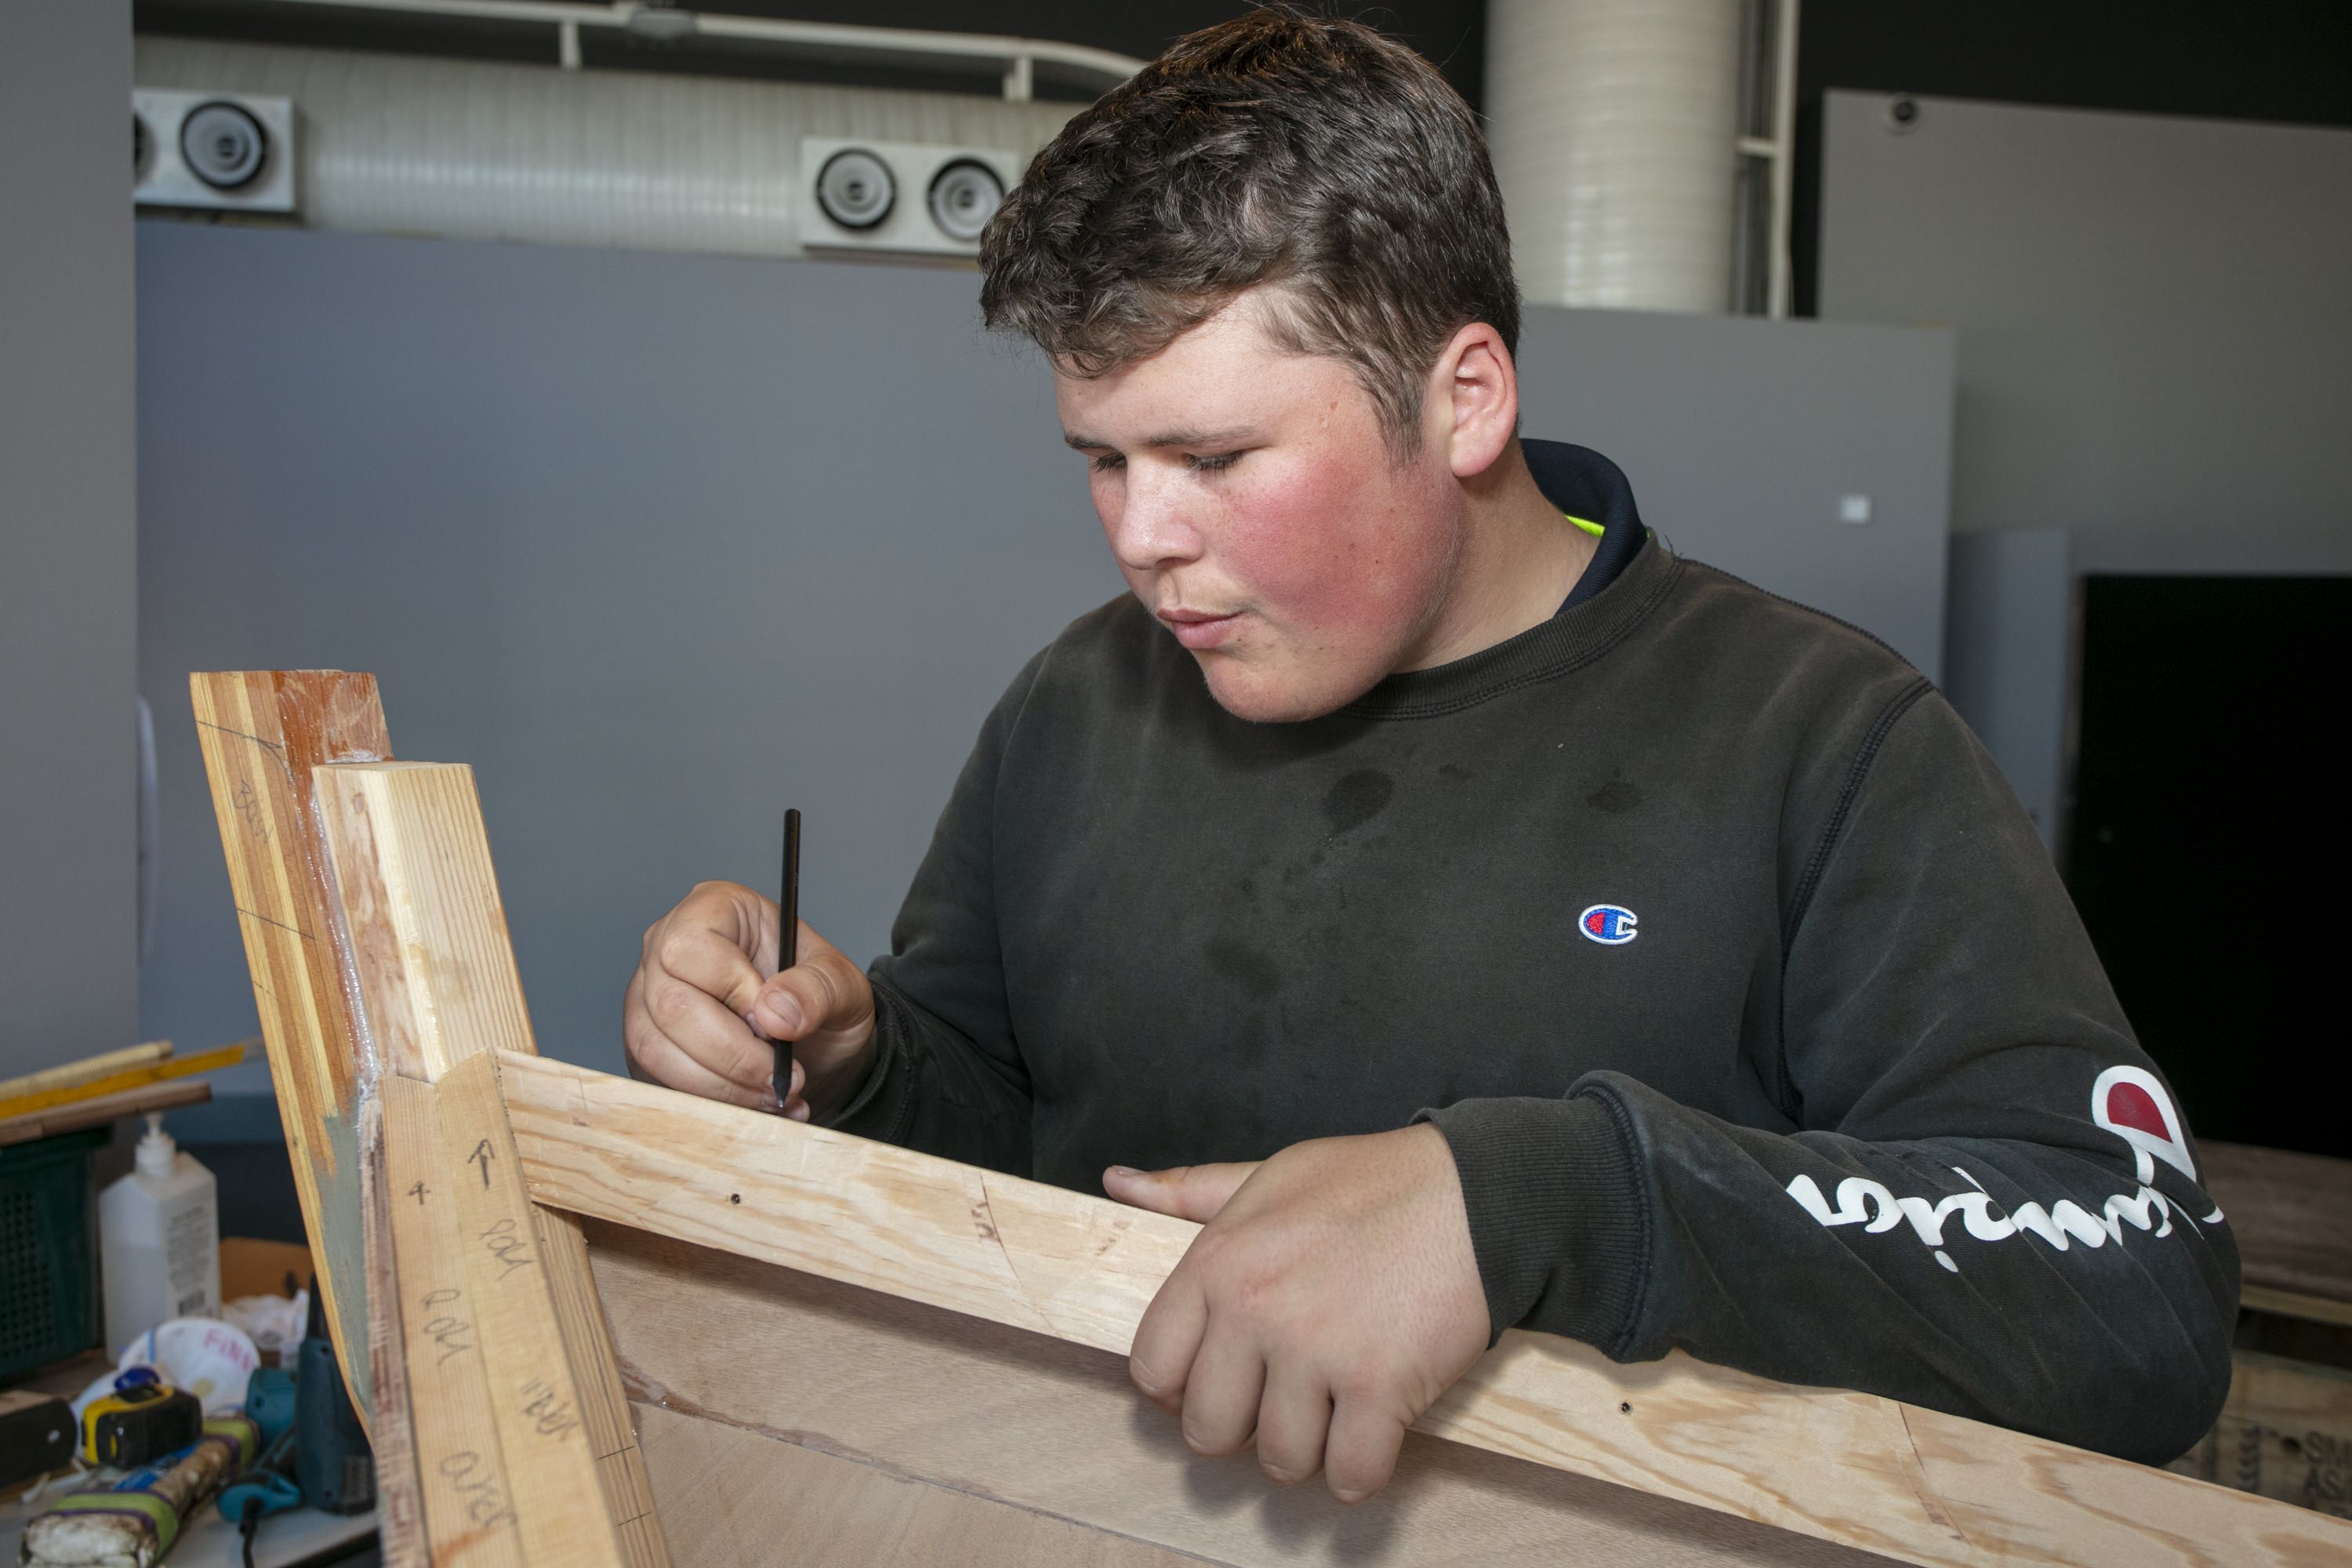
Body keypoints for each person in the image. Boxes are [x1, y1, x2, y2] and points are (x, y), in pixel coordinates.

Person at [622, 9, 2235, 1504]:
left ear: (1463, 399)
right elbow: (1004, 1120)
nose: (1142, 539)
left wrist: (1541, 1197)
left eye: (1215, 455)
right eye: (1102, 460)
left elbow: (2135, 1281)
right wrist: (849, 1059)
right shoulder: (1084, 703)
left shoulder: (1819, 740)